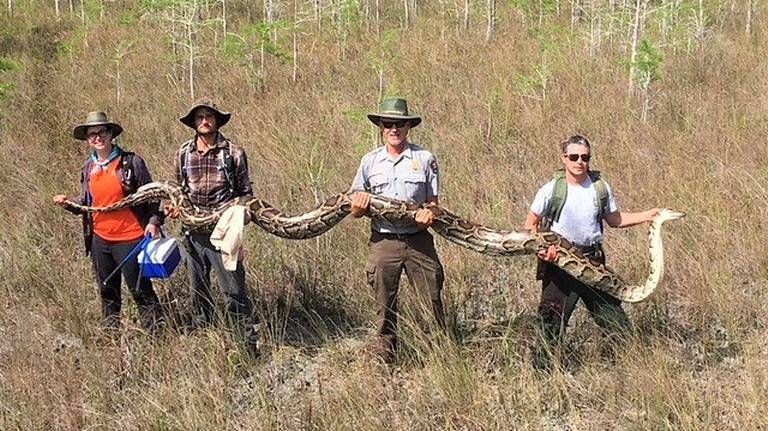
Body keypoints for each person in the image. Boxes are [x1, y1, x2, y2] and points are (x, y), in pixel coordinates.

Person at [523, 134, 659, 369]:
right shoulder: (551, 189)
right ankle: (543, 377)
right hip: (560, 265)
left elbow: (615, 220)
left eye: (585, 157)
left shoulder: (599, 188)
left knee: (615, 320)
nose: (579, 162)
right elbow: (530, 224)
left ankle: (632, 367)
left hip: (593, 262)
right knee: (550, 324)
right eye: (574, 157)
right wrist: (544, 251)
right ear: (563, 158)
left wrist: (648, 216)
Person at [349, 97, 446, 364]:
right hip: (384, 240)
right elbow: (354, 210)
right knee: (384, 305)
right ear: (381, 126)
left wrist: (430, 214)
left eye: (400, 124)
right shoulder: (369, 161)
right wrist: (358, 206)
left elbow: (435, 206)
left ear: (408, 127)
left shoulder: (425, 159)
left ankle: (439, 358)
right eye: (389, 123)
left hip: (418, 240)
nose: (394, 129)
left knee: (432, 301)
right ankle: (386, 359)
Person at [53, 111, 163, 331]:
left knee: (139, 288)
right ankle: (111, 335)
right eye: (91, 134)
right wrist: (68, 204)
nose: (97, 137)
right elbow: (89, 203)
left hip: (131, 238)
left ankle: (157, 335)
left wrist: (153, 221)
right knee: (107, 290)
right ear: (87, 139)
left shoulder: (131, 162)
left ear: (111, 134)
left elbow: (152, 195)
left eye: (101, 131)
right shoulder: (88, 168)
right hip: (100, 240)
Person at [169, 98, 260, 356]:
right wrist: (174, 207)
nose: (205, 121)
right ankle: (204, 341)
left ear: (217, 120)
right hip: (192, 232)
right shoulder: (183, 152)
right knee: (197, 290)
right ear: (194, 123)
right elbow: (178, 190)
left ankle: (246, 344)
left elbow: (246, 193)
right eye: (199, 117)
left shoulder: (233, 152)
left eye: (209, 116)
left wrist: (235, 215)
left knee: (233, 289)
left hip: (224, 232)